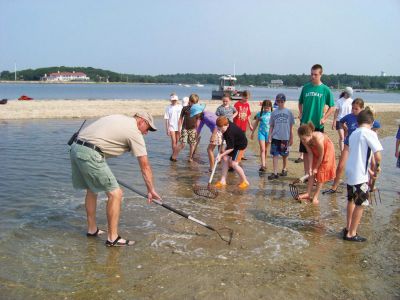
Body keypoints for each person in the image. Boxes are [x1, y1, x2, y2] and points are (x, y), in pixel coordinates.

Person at [69, 113, 161, 247]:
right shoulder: (134, 132)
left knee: (92, 189)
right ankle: (113, 238)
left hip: (76, 148)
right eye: (148, 129)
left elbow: (101, 137)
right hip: (90, 153)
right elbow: (145, 166)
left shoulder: (119, 118)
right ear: (142, 121)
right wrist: (151, 189)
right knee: (116, 193)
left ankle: (92, 229)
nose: (146, 133)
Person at [323, 99, 380, 194]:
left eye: (356, 109)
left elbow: (376, 126)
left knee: (370, 165)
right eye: (352, 108)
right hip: (348, 144)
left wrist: (373, 133)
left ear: (362, 109)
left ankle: (370, 185)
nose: (353, 111)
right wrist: (345, 128)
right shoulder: (349, 117)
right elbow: (340, 122)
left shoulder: (366, 118)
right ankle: (334, 187)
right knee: (341, 166)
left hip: (361, 147)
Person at [343, 109, 382, 242]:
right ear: (371, 123)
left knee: (351, 200)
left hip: (350, 172)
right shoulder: (370, 133)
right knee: (361, 204)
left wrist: (370, 172)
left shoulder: (353, 133)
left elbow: (358, 156)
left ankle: (348, 227)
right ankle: (352, 233)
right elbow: (378, 156)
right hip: (359, 175)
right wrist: (377, 168)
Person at [298, 64, 335, 174]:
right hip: (305, 124)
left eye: (315, 74)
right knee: (305, 151)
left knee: (316, 151)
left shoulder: (325, 89)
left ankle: (315, 172)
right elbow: (300, 102)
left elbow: (332, 107)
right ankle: (307, 173)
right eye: (312, 74)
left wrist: (324, 118)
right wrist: (300, 112)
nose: (313, 76)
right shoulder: (306, 87)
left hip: (318, 126)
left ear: (320, 75)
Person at [296, 122, 336, 204]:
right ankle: (307, 193)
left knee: (321, 174)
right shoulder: (305, 140)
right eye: (301, 139)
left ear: (310, 135)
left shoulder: (318, 138)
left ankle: (315, 197)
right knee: (311, 173)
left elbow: (321, 155)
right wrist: (311, 168)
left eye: (304, 139)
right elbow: (310, 153)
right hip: (315, 151)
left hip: (327, 151)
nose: (303, 141)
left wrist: (316, 168)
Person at [215, 116, 249, 189]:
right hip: (234, 143)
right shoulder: (225, 123)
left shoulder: (230, 132)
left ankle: (245, 181)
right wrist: (221, 136)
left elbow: (231, 148)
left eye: (221, 129)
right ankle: (223, 181)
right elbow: (226, 138)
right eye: (219, 129)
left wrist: (220, 155)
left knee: (234, 164)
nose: (220, 130)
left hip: (240, 145)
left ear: (227, 125)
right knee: (225, 158)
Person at [267, 93, 295, 179]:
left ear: (284, 101)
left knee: (284, 155)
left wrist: (291, 137)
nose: (280, 103)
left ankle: (284, 168)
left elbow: (291, 127)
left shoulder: (289, 112)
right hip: (275, 137)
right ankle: (275, 172)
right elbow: (271, 126)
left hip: (285, 138)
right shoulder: (274, 113)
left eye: (281, 101)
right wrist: (269, 136)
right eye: (278, 101)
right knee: (275, 155)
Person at [190, 103, 222, 172]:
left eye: (195, 115)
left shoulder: (206, 116)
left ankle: (212, 168)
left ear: (199, 112)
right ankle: (226, 166)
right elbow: (199, 128)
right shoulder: (202, 117)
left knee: (209, 150)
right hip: (218, 131)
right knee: (221, 151)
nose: (195, 116)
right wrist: (196, 137)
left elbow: (217, 124)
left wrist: (213, 136)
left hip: (219, 131)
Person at [172, 94, 199, 162]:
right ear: (189, 101)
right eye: (192, 102)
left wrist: (197, 130)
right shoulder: (185, 108)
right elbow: (180, 119)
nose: (193, 104)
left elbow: (198, 120)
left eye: (195, 103)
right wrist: (179, 129)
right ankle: (174, 156)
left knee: (192, 144)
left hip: (193, 129)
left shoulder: (198, 110)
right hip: (185, 128)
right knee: (183, 144)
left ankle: (190, 157)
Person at [251, 99, 273, 172]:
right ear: (262, 107)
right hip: (261, 133)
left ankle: (264, 162)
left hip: (269, 134)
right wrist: (252, 133)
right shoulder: (260, 114)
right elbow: (256, 124)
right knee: (262, 149)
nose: (266, 109)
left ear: (270, 107)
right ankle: (263, 165)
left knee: (266, 149)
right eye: (265, 107)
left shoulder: (273, 114)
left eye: (268, 108)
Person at [233, 90, 253, 159]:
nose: (246, 99)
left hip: (244, 126)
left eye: (248, 98)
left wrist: (250, 124)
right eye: (245, 98)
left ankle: (241, 155)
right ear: (242, 96)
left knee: (244, 141)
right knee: (236, 140)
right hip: (237, 125)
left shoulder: (247, 104)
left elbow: (248, 116)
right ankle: (234, 153)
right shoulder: (237, 104)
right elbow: (233, 114)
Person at [332, 87, 353, 151]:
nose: (349, 95)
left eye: (350, 94)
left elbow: (352, 111)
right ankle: (342, 151)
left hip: (348, 121)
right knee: (342, 137)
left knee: (346, 137)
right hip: (340, 121)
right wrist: (334, 122)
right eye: (348, 94)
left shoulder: (352, 101)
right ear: (345, 93)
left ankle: (345, 150)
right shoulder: (339, 101)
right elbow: (336, 112)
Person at [164, 93, 183, 161]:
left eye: (175, 100)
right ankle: (174, 155)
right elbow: (167, 119)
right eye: (173, 100)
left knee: (177, 141)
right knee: (173, 141)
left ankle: (174, 155)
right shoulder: (168, 107)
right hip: (171, 126)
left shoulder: (180, 106)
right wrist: (167, 129)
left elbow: (182, 117)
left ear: (177, 100)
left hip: (179, 126)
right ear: (170, 100)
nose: (174, 101)